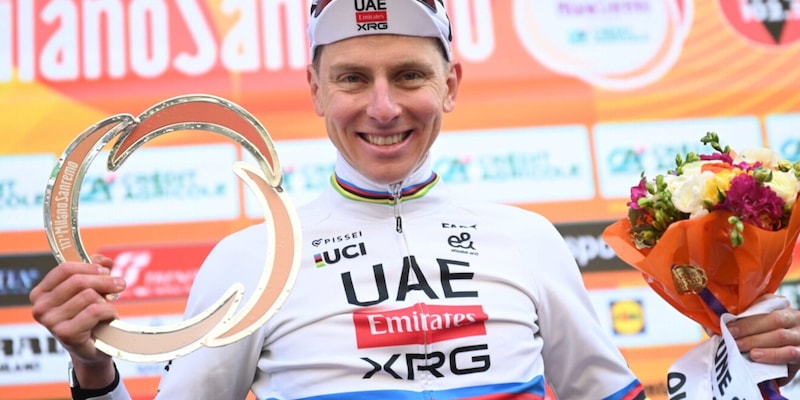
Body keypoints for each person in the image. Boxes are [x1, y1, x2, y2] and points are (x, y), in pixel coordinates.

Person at [29, 0, 800, 399]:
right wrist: (93, 370)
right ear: (315, 90)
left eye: (408, 76)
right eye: (352, 79)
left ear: (451, 84)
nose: (383, 107)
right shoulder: (251, 256)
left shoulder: (526, 238)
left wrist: (737, 363)